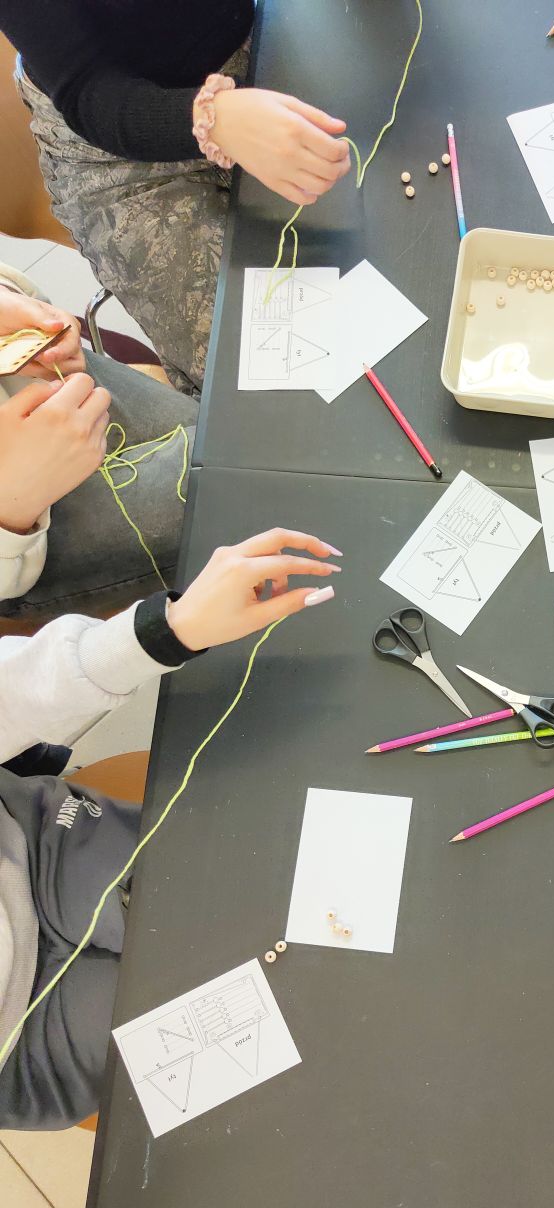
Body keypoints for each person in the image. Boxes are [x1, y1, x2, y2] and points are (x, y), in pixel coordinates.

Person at [0, 527, 341, 1129]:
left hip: (38, 853)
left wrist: (166, 630)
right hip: (26, 1052)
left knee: (309, 909)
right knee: (304, 1036)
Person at [0, 1, 352, 394]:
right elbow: (88, 88)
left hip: (254, 41)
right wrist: (212, 120)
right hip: (113, 146)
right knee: (281, 373)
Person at [0, 262, 199, 620]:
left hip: (29, 376)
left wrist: (8, 298)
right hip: (16, 540)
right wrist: (11, 502)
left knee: (225, 436)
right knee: (253, 474)